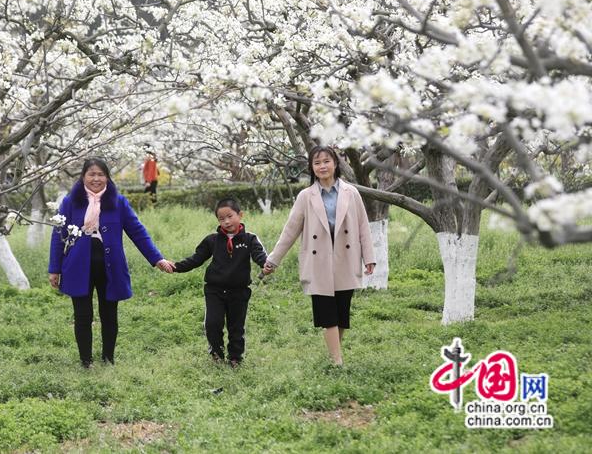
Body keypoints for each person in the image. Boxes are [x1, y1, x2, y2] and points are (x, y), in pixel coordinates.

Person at [48, 158, 174, 368]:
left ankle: (108, 359)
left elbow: (137, 232)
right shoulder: (71, 202)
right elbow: (57, 235)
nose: (96, 179)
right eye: (91, 174)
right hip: (77, 266)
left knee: (109, 314)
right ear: (83, 176)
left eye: (101, 174)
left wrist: (157, 258)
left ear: (107, 177)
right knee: (82, 315)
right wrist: (55, 268)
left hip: (110, 266)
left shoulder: (118, 202)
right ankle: (86, 361)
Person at [263, 146, 376, 366]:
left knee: (342, 313)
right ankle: (337, 362)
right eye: (317, 163)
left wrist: (369, 257)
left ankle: (334, 354)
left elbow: (363, 225)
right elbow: (290, 230)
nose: (322, 166)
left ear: (336, 164)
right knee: (327, 313)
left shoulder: (351, 192)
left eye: (326, 161)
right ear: (311, 168)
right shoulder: (306, 196)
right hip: (318, 260)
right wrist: (273, 259)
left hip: (346, 257)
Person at [167, 198, 270, 367]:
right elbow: (196, 259)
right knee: (212, 324)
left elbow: (260, 255)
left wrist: (266, 264)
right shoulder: (212, 240)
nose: (226, 222)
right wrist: (176, 267)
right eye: (221, 219)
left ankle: (235, 358)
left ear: (240, 215)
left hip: (239, 291)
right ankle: (216, 354)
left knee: (236, 327)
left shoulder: (250, 239)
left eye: (230, 216)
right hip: (214, 291)